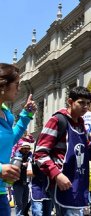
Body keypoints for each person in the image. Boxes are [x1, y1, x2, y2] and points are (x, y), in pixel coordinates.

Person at [34, 86, 91, 216]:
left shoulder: (82, 124)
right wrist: (57, 175)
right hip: (62, 182)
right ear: (70, 101)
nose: (85, 107)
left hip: (79, 181)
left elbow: (86, 151)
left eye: (88, 104)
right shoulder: (57, 120)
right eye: (81, 102)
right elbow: (40, 153)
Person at [0, 63, 37, 216]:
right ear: (3, 85)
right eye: (17, 84)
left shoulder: (5, 112)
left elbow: (9, 140)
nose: (19, 88)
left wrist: (26, 115)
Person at [13, 142, 33, 216]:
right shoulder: (17, 154)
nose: (27, 150)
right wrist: (23, 164)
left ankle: (23, 213)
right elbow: (15, 164)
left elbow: (31, 159)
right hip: (18, 182)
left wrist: (29, 162)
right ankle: (19, 214)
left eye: (28, 148)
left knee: (25, 201)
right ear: (21, 148)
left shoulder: (29, 155)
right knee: (19, 202)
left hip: (26, 182)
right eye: (25, 148)